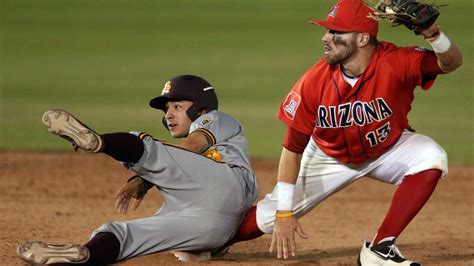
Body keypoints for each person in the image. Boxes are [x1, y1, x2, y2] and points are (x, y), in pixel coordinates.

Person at [226, 0, 463, 265]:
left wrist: (433, 34)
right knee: (267, 218)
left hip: (387, 149)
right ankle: (206, 238)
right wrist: (284, 213)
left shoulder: (395, 62)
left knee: (432, 157)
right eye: (328, 31)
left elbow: (450, 63)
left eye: (336, 33)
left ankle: (379, 249)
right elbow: (292, 149)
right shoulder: (314, 82)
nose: (326, 38)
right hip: (328, 156)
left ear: (362, 38)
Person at [16, 74, 259, 265]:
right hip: (214, 228)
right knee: (130, 234)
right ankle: (86, 254)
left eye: (177, 106)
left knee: (148, 148)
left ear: (201, 109)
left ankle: (99, 142)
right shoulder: (188, 176)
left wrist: (144, 179)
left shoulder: (217, 118)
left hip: (226, 183)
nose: (169, 115)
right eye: (166, 110)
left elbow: (192, 147)